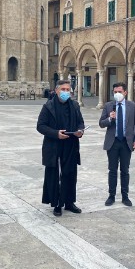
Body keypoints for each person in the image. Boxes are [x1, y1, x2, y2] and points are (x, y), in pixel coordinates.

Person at [37, 79, 85, 216]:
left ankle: (69, 202)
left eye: (67, 90)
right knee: (55, 175)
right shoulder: (48, 106)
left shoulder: (74, 105)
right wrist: (56, 134)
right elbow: (40, 126)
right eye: (63, 89)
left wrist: (80, 131)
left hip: (71, 145)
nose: (65, 92)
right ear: (57, 90)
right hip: (55, 146)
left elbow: (80, 122)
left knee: (70, 174)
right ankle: (57, 203)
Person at [99, 82, 135, 206]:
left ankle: (125, 196)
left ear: (125, 93)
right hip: (113, 142)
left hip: (126, 142)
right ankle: (111, 196)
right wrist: (110, 118)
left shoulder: (132, 106)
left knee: (125, 170)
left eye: (120, 92)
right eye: (115, 92)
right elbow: (101, 123)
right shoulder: (108, 106)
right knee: (112, 170)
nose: (117, 94)